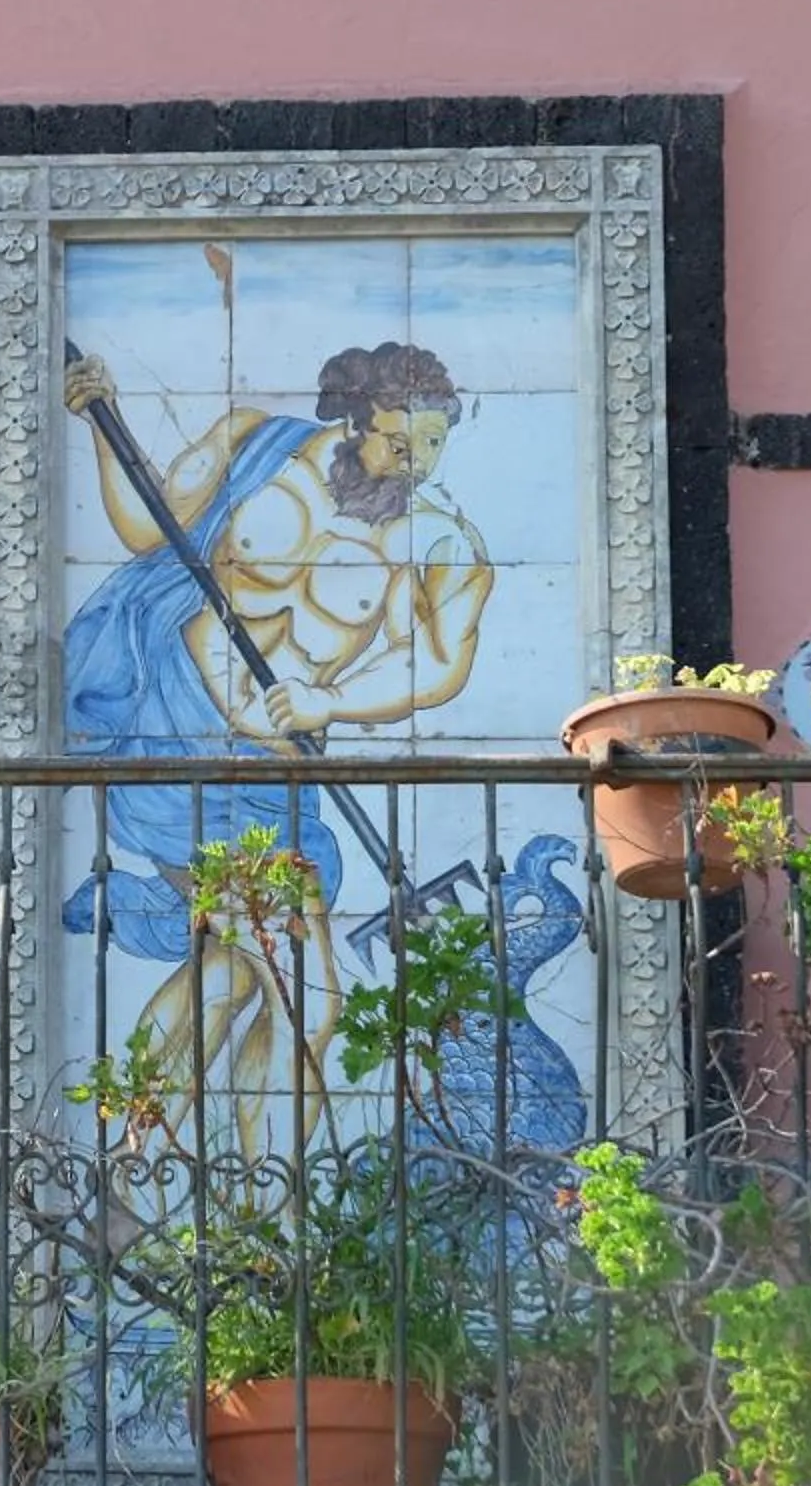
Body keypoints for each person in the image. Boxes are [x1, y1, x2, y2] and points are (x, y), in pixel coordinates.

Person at [59, 340, 493, 1154]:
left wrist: (333, 700)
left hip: (273, 772)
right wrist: (98, 422)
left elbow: (437, 665)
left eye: (434, 444)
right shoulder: (257, 443)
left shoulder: (439, 541)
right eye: (400, 442)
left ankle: (137, 1167)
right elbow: (151, 527)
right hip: (173, 733)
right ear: (357, 419)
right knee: (310, 995)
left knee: (233, 973)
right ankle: (269, 1204)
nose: (417, 463)